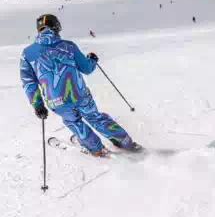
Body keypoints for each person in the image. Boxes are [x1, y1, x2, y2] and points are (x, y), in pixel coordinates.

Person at [19, 14, 140, 156]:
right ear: (56, 27)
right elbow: (87, 68)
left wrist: (37, 104)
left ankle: (95, 149)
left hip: (56, 101)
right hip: (80, 95)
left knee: (74, 122)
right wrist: (92, 60)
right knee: (95, 117)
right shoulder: (68, 46)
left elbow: (28, 81)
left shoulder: (27, 53)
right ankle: (125, 142)